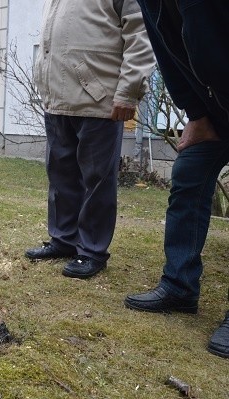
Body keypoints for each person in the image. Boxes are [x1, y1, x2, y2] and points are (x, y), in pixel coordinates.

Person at [124, 1, 229, 358]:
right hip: (215, 110)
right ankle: (179, 286)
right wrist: (197, 113)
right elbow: (167, 54)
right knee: (189, 172)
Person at [25, 0, 155, 279]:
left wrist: (129, 91)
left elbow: (141, 33)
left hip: (101, 100)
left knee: (97, 181)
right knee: (60, 175)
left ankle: (92, 251)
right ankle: (63, 240)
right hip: (57, 99)